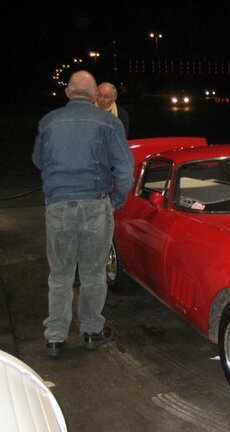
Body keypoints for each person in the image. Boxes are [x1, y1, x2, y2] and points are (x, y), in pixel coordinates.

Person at [32, 70, 134, 358]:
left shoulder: (48, 121)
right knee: (92, 273)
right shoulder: (109, 122)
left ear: (67, 92)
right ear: (93, 96)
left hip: (58, 206)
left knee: (60, 274)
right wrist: (115, 200)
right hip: (95, 206)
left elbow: (39, 160)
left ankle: (55, 336)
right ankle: (91, 331)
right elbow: (125, 170)